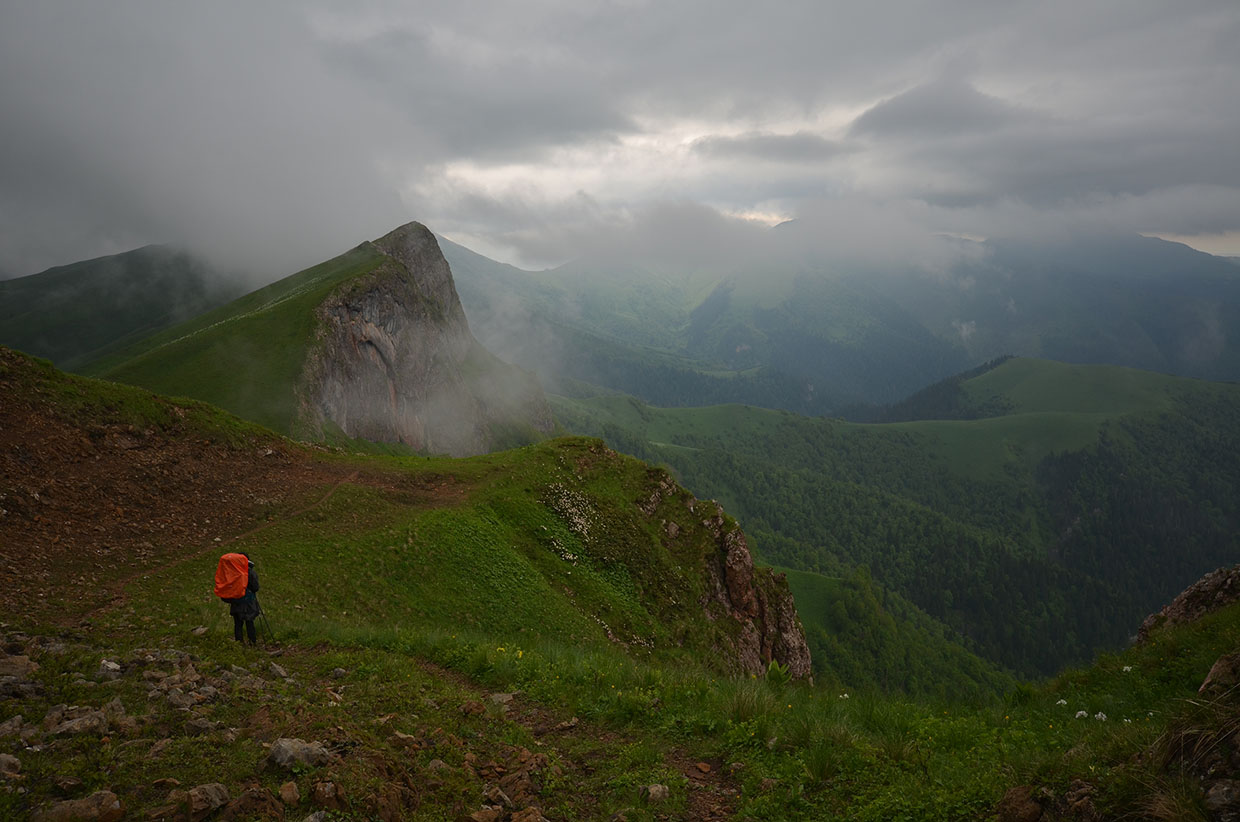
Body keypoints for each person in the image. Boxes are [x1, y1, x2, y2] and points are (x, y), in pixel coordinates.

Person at [230, 553, 261, 645]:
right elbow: (255, 587)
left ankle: (239, 643)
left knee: (238, 624)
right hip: (248, 601)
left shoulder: (232, 571)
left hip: (235, 600)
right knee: (249, 622)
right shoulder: (249, 572)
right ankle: (252, 642)